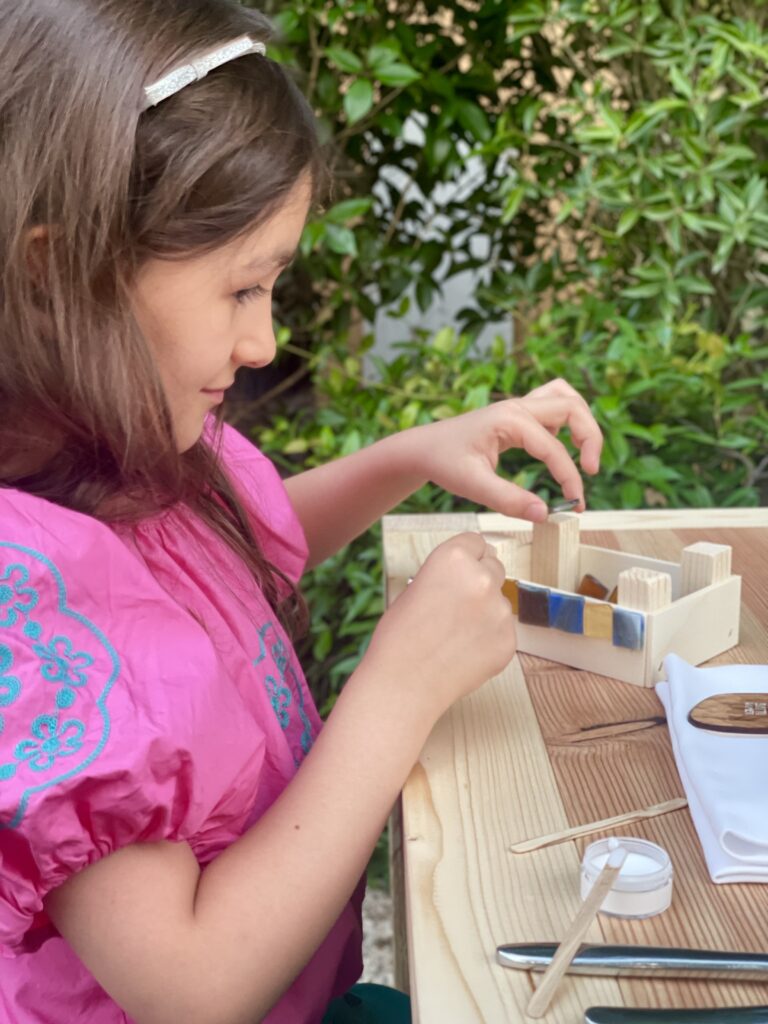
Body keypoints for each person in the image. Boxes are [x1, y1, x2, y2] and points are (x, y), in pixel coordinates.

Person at [0, 2, 603, 1021]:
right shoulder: (24, 598)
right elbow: (191, 986)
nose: (264, 343)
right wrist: (399, 689)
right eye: (243, 289)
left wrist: (412, 455)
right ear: (55, 273)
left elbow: (234, 552)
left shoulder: (118, 443)